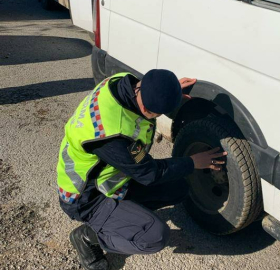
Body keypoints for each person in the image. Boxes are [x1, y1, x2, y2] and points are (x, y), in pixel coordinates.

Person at [56, 70, 227, 270]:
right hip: (86, 197)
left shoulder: (123, 82)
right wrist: (192, 162)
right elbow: (149, 173)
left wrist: (168, 91)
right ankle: (87, 236)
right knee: (155, 236)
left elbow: (153, 88)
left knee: (179, 187)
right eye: (158, 113)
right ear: (146, 107)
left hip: (112, 178)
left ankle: (124, 216)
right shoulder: (111, 136)